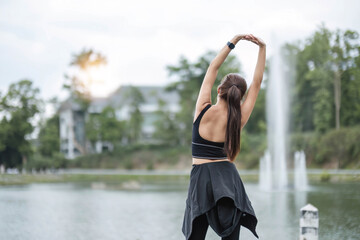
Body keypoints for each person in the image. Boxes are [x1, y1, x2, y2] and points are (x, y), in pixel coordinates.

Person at [182, 33, 266, 240]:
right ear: (240, 96)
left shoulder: (202, 109)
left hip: (201, 178)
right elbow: (256, 84)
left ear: (219, 90)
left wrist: (233, 42)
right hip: (227, 179)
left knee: (196, 236)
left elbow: (213, 68)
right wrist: (262, 48)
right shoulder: (238, 119)